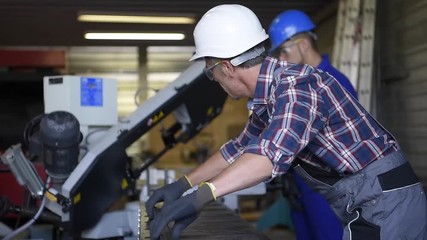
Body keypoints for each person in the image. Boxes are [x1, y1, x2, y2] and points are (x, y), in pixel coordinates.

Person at [145, 4, 427, 240]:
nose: (215, 81)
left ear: (226, 67)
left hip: (387, 202)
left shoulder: (297, 86)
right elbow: (239, 149)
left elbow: (269, 156)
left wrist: (201, 197)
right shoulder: (268, 97)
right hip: (366, 199)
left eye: (211, 73)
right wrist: (183, 185)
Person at [266, 9, 359, 240]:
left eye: (284, 51)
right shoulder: (301, 85)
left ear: (304, 44)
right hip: (300, 188)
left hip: (328, 191)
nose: (281, 59)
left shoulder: (335, 83)